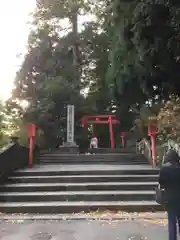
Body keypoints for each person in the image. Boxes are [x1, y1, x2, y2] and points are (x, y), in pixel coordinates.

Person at [158, 149, 180, 240]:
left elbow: (161, 183)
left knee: (171, 221)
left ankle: (172, 238)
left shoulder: (164, 169)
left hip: (170, 198)